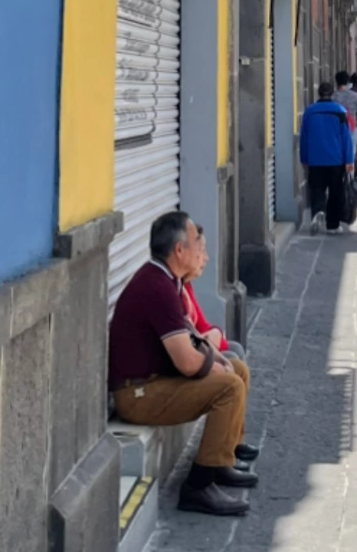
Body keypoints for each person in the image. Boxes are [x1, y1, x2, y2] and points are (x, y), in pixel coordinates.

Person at [109, 211, 258, 517]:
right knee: (229, 386)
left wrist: (218, 359)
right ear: (179, 250)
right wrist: (214, 366)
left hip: (155, 382)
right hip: (138, 394)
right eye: (196, 244)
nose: (203, 251)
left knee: (237, 369)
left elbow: (192, 338)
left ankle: (221, 461)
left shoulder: (168, 282)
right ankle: (198, 486)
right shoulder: (157, 287)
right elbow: (188, 362)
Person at [181, 224, 245, 360]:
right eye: (201, 251)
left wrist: (216, 334)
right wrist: (216, 336)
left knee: (236, 349)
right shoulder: (173, 291)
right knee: (232, 357)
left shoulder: (185, 285)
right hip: (184, 358)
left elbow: (202, 326)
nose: (206, 258)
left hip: (196, 347)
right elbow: (191, 343)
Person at [299, 80, 356, 232]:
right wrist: (349, 160)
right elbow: (346, 138)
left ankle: (318, 210)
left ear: (319, 93)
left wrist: (304, 158)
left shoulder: (309, 111)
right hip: (336, 159)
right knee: (335, 192)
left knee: (317, 189)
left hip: (315, 159)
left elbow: (304, 137)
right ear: (332, 94)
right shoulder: (340, 111)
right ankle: (332, 225)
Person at [334, 70, 357, 140]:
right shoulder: (355, 95)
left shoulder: (332, 96)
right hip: (352, 129)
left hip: (336, 130)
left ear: (336, 81)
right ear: (347, 82)